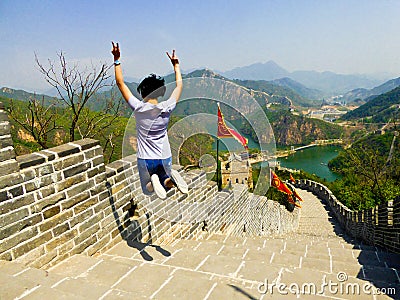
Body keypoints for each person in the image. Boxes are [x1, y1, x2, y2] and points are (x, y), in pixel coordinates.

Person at [111, 42, 188, 199]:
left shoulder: (138, 108)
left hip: (146, 159)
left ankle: (152, 182)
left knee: (148, 189)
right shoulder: (167, 107)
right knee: (165, 183)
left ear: (143, 92)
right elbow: (179, 86)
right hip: (165, 156)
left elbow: (120, 83)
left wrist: (117, 59)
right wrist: (176, 66)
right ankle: (170, 180)